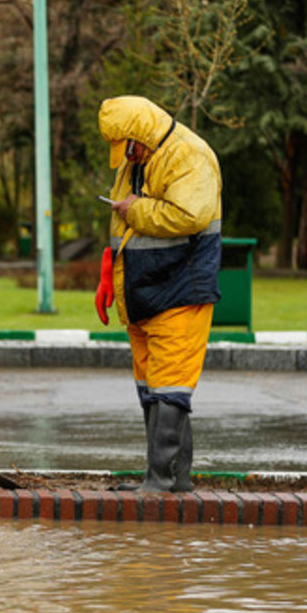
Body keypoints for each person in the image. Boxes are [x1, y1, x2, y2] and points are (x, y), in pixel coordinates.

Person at [94, 95, 222, 492]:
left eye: (128, 145)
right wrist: (108, 273)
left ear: (142, 132)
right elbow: (122, 223)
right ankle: (171, 480)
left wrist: (135, 209)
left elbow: (189, 216)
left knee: (170, 386)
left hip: (180, 289)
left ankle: (160, 481)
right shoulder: (137, 161)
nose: (125, 155)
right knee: (154, 387)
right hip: (143, 292)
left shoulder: (189, 154)